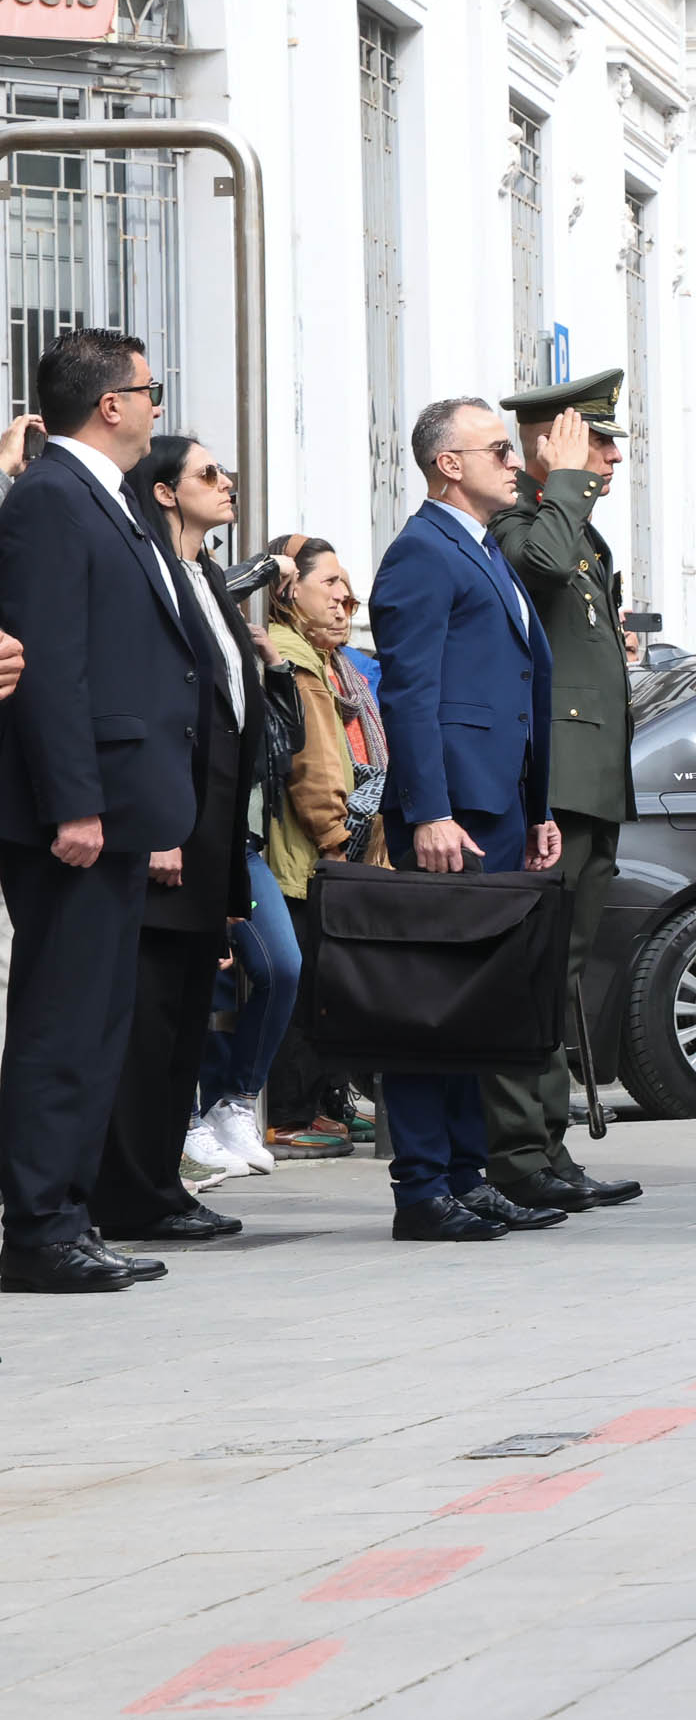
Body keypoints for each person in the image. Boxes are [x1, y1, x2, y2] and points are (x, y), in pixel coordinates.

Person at [369, 396, 571, 1244]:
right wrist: (430, 811)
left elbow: (515, 688)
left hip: (498, 808)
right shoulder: (422, 552)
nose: (515, 462)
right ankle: (422, 1186)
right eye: (498, 449)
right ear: (447, 463)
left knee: (472, 1004)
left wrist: (537, 807)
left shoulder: (482, 548)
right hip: (450, 815)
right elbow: (410, 693)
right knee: (430, 1003)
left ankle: (465, 1173)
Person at [0, 325, 168, 1293]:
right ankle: (37, 1228)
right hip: (73, 813)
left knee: (98, 1022)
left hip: (117, 804)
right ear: (111, 404)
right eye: (149, 390)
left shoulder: (105, 497)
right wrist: (73, 800)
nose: (156, 406)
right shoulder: (53, 497)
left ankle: (70, 1211)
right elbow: (48, 662)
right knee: (61, 1023)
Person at [482, 372, 643, 1214]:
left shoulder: (573, 526)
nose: (611, 460)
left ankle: (545, 1145)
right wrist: (567, 480)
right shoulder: (520, 521)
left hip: (592, 782)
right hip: (557, 785)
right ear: (555, 445)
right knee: (537, 970)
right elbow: (539, 563)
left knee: (562, 972)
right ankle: (518, 1152)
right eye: (597, 442)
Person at [90, 434, 256, 1248]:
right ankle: (129, 1190)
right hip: (167, 825)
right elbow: (151, 703)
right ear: (163, 490)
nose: (227, 485)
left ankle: (162, 1184)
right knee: (148, 1020)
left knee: (187, 1017)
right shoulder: (150, 573)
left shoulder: (208, 576)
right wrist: (157, 822)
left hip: (213, 826)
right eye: (208, 474)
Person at [250, 533, 381, 1160]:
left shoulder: (331, 661)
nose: (344, 598)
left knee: (324, 985)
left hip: (325, 852)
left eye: (346, 586)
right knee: (301, 984)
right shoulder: (295, 659)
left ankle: (322, 1103)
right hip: (307, 854)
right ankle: (289, 1115)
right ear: (287, 591)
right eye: (329, 583)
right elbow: (314, 763)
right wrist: (337, 837)